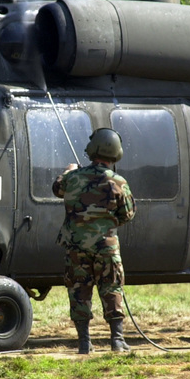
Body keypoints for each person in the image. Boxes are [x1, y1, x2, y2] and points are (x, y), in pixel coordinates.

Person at [52, 128, 136, 354]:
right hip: (106, 248)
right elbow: (127, 214)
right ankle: (117, 341)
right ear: (115, 152)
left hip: (76, 248)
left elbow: (57, 188)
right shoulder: (118, 181)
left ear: (92, 150)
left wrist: (68, 171)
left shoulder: (72, 178)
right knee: (112, 288)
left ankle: (84, 343)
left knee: (79, 291)